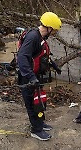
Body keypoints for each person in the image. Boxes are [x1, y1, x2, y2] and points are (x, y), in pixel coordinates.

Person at [17, 12, 62, 141]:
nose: (54, 34)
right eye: (54, 31)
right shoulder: (33, 37)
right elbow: (22, 57)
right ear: (49, 28)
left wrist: (53, 65)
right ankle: (36, 130)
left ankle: (40, 123)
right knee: (32, 104)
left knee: (39, 101)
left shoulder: (41, 38)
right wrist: (31, 77)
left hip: (35, 75)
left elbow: (41, 55)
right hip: (27, 77)